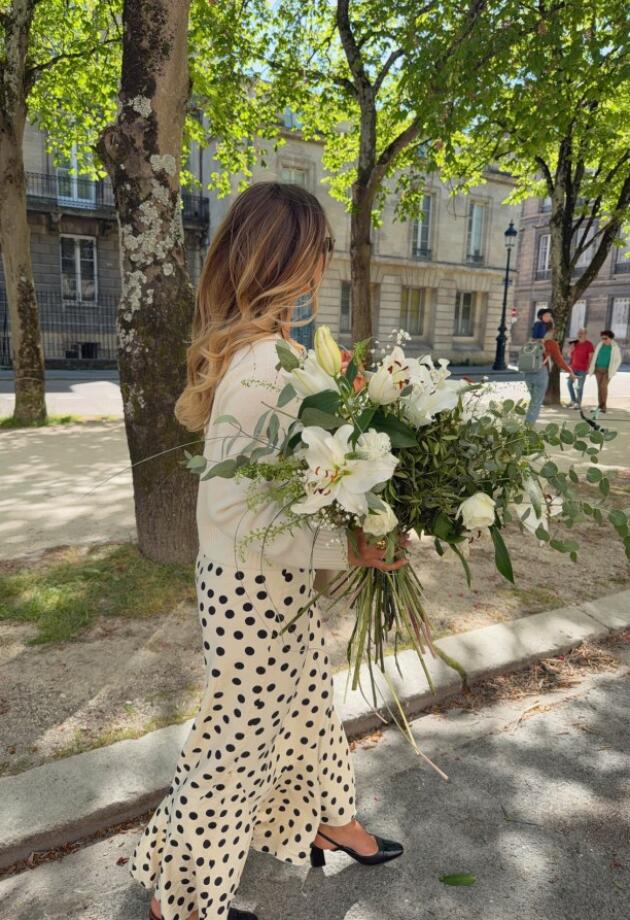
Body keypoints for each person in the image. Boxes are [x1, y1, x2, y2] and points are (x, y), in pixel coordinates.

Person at [129, 182, 406, 920]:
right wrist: (353, 547)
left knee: (311, 702)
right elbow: (230, 510)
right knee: (236, 753)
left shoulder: (271, 354)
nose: (324, 266)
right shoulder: (262, 368)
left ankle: (332, 818)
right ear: (292, 262)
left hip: (259, 588)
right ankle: (182, 903)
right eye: (318, 251)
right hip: (253, 591)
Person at [523, 325, 576, 424]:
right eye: (553, 330)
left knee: (534, 401)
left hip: (528, 374)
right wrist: (570, 371)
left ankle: (528, 424)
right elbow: (559, 361)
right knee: (536, 402)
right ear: (549, 331)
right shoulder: (550, 343)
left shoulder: (530, 341)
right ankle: (527, 427)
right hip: (540, 373)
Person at [588, 329, 622, 413]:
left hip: (608, 370)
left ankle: (604, 407)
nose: (603, 340)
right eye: (602, 338)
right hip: (598, 369)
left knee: (603, 386)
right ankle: (600, 406)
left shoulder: (615, 347)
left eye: (605, 338)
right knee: (599, 388)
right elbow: (595, 356)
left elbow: (618, 360)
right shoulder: (600, 345)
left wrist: (613, 370)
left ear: (610, 338)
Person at [567, 327, 594, 409]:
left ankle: (578, 404)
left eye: (581, 333)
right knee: (569, 384)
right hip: (573, 368)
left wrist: (589, 368)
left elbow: (591, 357)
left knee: (579, 387)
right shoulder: (575, 343)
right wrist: (571, 349)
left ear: (585, 334)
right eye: (578, 333)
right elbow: (569, 355)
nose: (579, 335)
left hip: (582, 369)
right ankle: (573, 401)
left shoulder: (589, 344)